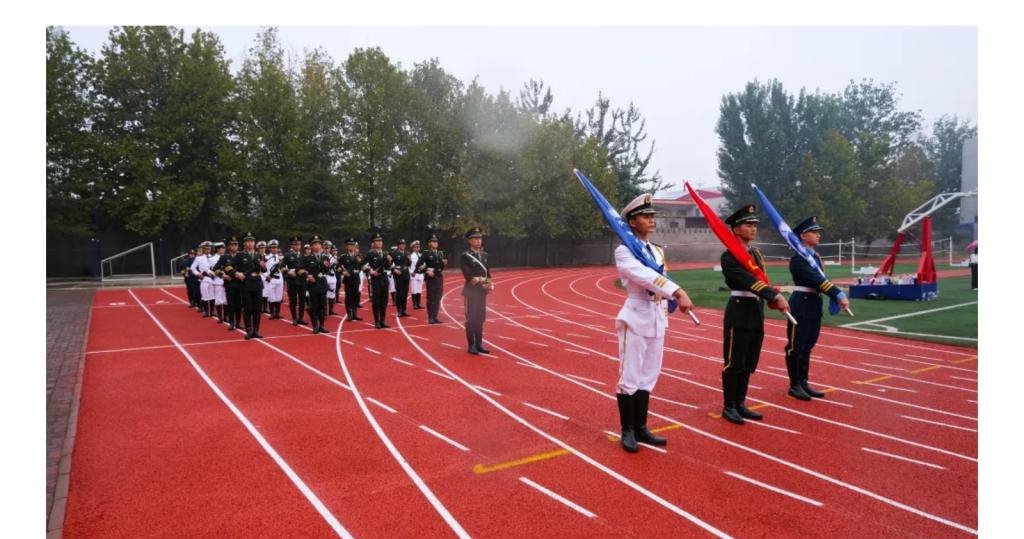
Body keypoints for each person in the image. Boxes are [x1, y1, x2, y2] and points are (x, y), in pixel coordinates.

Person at [613, 194, 695, 453]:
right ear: (632, 221)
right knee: (630, 377)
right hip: (636, 317)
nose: (651, 220)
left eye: (652, 216)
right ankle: (627, 430)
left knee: (648, 376)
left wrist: (670, 299)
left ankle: (641, 427)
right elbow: (644, 275)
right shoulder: (625, 250)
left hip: (657, 317)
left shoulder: (657, 250)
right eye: (645, 216)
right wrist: (677, 291)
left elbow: (660, 275)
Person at [720, 204, 789, 425]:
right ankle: (729, 406)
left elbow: (762, 279)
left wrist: (771, 295)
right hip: (739, 309)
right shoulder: (729, 256)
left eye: (754, 225)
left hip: (755, 310)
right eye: (748, 225)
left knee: (749, 360)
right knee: (734, 361)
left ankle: (740, 403)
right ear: (736, 229)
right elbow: (746, 280)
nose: (753, 229)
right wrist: (773, 295)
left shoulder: (756, 254)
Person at [785, 216, 850, 400]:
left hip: (814, 303)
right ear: (803, 236)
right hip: (801, 303)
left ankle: (804, 383)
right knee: (795, 346)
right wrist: (836, 293)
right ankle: (795, 385)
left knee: (808, 345)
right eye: (814, 232)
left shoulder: (815, 257)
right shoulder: (799, 259)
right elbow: (815, 280)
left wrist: (832, 293)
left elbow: (821, 280)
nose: (818, 235)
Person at [460, 227, 493, 354]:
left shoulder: (485, 255)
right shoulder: (465, 256)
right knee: (471, 319)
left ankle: (479, 344)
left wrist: (489, 284)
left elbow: (488, 273)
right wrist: (482, 284)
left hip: (482, 292)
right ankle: (471, 345)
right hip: (471, 292)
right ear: (469, 241)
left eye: (479, 238)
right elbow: (468, 276)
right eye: (475, 238)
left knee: (480, 318)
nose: (478, 241)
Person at [232, 232, 266, 339]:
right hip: (246, 285)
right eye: (247, 241)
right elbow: (229, 267)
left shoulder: (259, 255)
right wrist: (237, 274)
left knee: (257, 309)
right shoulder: (240, 255)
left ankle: (256, 330)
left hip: (257, 284)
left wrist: (263, 266)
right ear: (244, 243)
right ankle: (249, 330)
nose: (250, 243)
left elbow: (263, 270)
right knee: (247, 309)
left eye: (252, 241)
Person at [362, 233, 394, 329]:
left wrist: (389, 261)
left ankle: (383, 320)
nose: (380, 243)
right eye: (377, 241)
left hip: (384, 278)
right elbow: (362, 264)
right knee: (376, 301)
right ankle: (376, 321)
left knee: (384, 300)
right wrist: (371, 271)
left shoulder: (385, 253)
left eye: (381, 241)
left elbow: (389, 267)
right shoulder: (370, 253)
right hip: (376, 279)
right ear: (374, 242)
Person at [300, 235, 330, 334]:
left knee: (323, 306)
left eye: (319, 244)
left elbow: (326, 270)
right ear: (311, 246)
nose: (317, 246)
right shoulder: (307, 258)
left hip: (322, 284)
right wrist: (307, 275)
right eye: (315, 244)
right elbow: (299, 270)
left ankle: (322, 325)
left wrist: (326, 267)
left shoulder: (325, 257)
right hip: (313, 285)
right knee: (314, 306)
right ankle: (315, 326)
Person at [417, 234, 448, 324]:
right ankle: (430, 317)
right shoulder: (426, 253)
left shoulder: (440, 253)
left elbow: (441, 266)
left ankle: (435, 317)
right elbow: (418, 266)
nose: (436, 243)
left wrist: (444, 263)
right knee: (431, 298)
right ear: (429, 243)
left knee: (438, 298)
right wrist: (426, 271)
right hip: (431, 278)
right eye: (433, 242)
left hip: (439, 277)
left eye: (436, 242)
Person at [282, 235, 308, 326]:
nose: (297, 246)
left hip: (302, 281)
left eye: (298, 244)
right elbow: (281, 267)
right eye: (295, 244)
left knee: (302, 300)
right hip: (292, 281)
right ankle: (294, 318)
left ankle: (301, 317)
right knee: (293, 300)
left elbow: (307, 268)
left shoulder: (304, 256)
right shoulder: (288, 255)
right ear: (292, 246)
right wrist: (288, 271)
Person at [338, 238, 364, 321]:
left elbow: (361, 267)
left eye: (353, 245)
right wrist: (343, 272)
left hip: (356, 278)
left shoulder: (358, 256)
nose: (352, 247)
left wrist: (360, 266)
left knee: (356, 297)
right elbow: (337, 267)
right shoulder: (343, 257)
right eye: (350, 245)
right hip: (348, 279)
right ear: (347, 246)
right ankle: (349, 313)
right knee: (348, 297)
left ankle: (355, 313)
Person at [223, 235, 243, 331]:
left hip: (240, 284)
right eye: (232, 245)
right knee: (231, 305)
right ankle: (231, 322)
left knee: (239, 305)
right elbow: (216, 269)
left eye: (236, 245)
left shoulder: (242, 256)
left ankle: (238, 322)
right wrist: (223, 275)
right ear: (228, 246)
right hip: (230, 284)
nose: (234, 246)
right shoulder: (224, 257)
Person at [191, 241, 214, 317]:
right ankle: (206, 311)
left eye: (209, 248)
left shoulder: (213, 257)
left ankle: (212, 311)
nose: (208, 250)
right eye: (206, 249)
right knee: (204, 296)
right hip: (204, 278)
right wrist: (198, 274)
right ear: (203, 249)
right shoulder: (199, 258)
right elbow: (192, 268)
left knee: (212, 296)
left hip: (212, 279)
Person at [264, 239, 285, 319]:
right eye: (272, 248)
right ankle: (272, 313)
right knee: (271, 297)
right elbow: (263, 269)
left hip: (279, 279)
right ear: (269, 248)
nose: (274, 249)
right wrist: (267, 276)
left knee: (278, 297)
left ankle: (277, 313)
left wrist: (283, 269)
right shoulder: (266, 258)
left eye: (275, 247)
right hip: (271, 279)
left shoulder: (280, 257)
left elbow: (284, 267)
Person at [391, 239, 412, 317]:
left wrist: (409, 259)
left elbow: (409, 264)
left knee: (405, 294)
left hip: (406, 275)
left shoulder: (407, 253)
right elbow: (389, 264)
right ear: (398, 245)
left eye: (404, 244)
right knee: (399, 293)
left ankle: (404, 310)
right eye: (401, 244)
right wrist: (394, 270)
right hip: (398, 275)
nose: (403, 245)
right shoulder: (394, 253)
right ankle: (399, 310)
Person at [209, 242, 227, 323]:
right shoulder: (212, 259)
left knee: (226, 300)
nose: (223, 250)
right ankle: (220, 317)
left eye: (223, 248)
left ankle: (226, 317)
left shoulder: (227, 257)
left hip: (227, 281)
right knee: (219, 300)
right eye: (221, 248)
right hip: (218, 281)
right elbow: (211, 270)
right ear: (217, 249)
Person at [409, 240, 424, 310]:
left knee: (419, 290)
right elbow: (408, 266)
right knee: (414, 290)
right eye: (416, 247)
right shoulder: (411, 256)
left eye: (418, 247)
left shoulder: (421, 255)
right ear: (413, 248)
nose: (417, 248)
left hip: (420, 275)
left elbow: (423, 265)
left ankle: (418, 304)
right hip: (414, 275)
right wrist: (411, 272)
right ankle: (415, 304)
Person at [324, 241, 338, 316]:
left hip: (332, 276)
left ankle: (331, 310)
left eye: (328, 248)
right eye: (325, 248)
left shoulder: (333, 257)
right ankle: (325, 310)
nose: (327, 250)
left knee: (332, 293)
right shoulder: (322, 257)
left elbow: (335, 267)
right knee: (324, 293)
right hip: (324, 276)